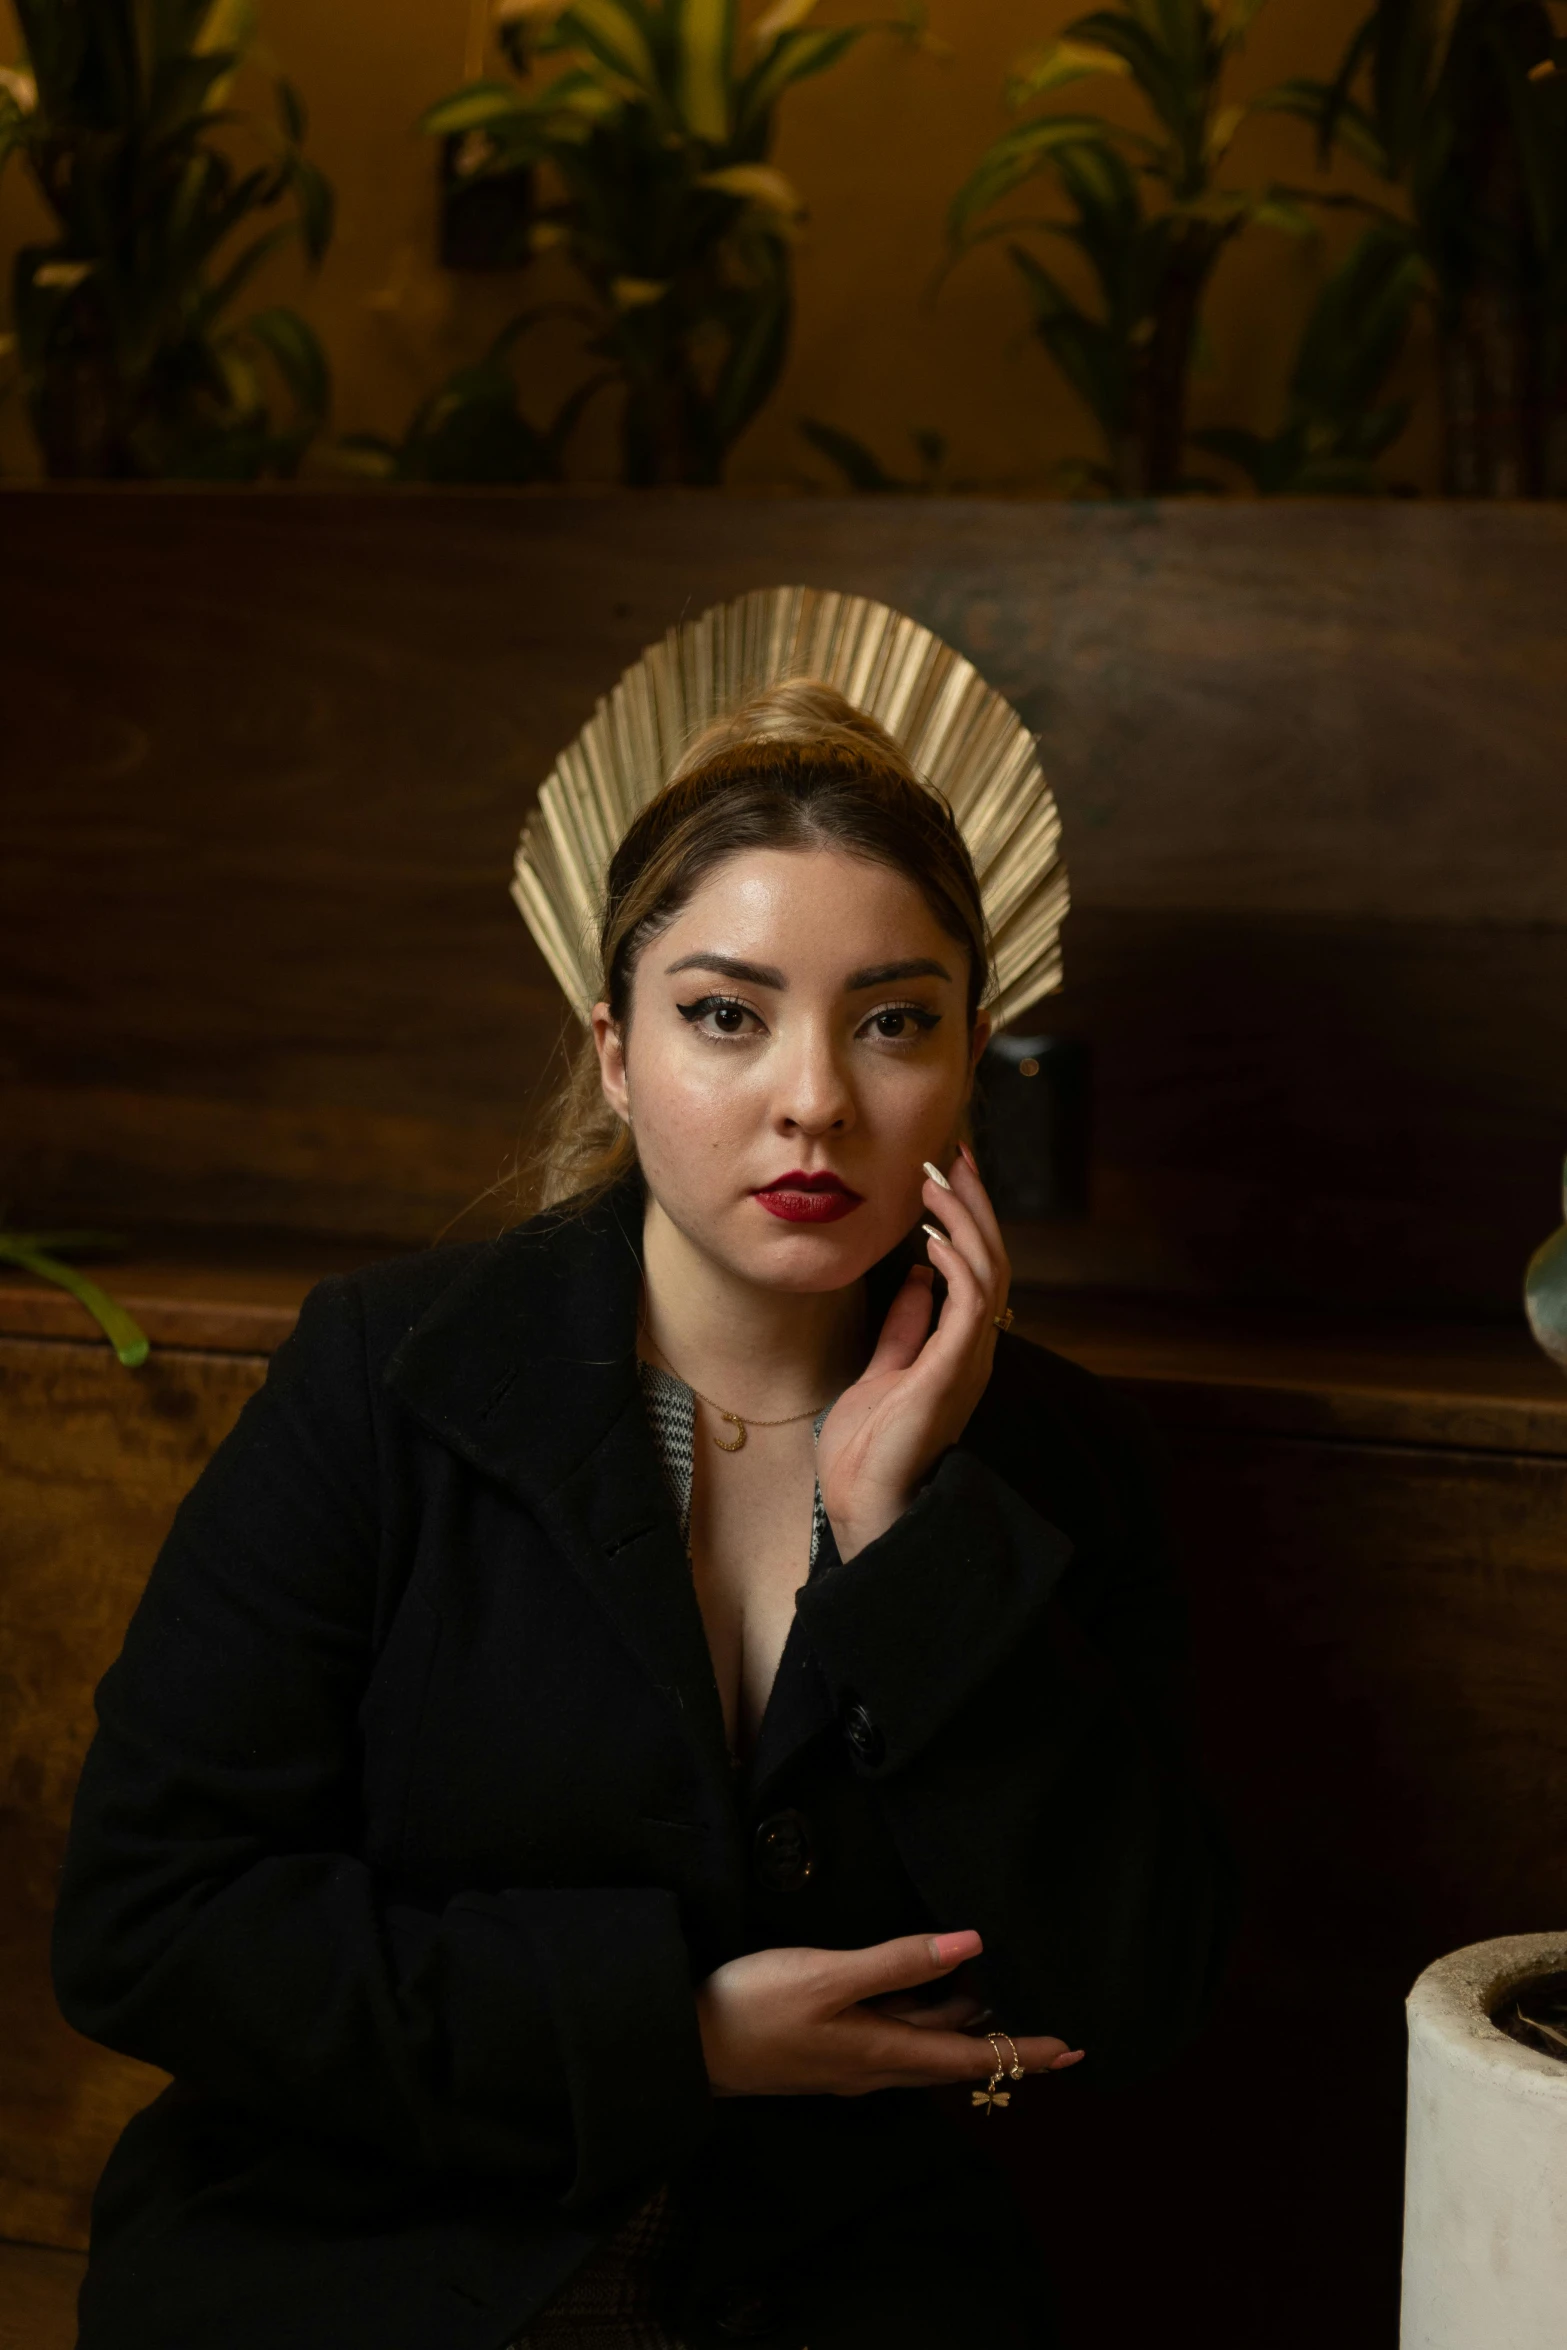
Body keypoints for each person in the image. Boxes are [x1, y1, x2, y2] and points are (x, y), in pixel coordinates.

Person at [52, 678, 1234, 2350]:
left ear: (974, 1057)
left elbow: (1139, 1986)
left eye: (891, 1019)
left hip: (852, 2288)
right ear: (616, 1051)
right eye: (726, 1015)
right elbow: (149, 1923)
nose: (813, 1096)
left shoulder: (1056, 1458)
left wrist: (904, 1540)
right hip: (370, 2256)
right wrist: (671, 2030)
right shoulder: (385, 1381)